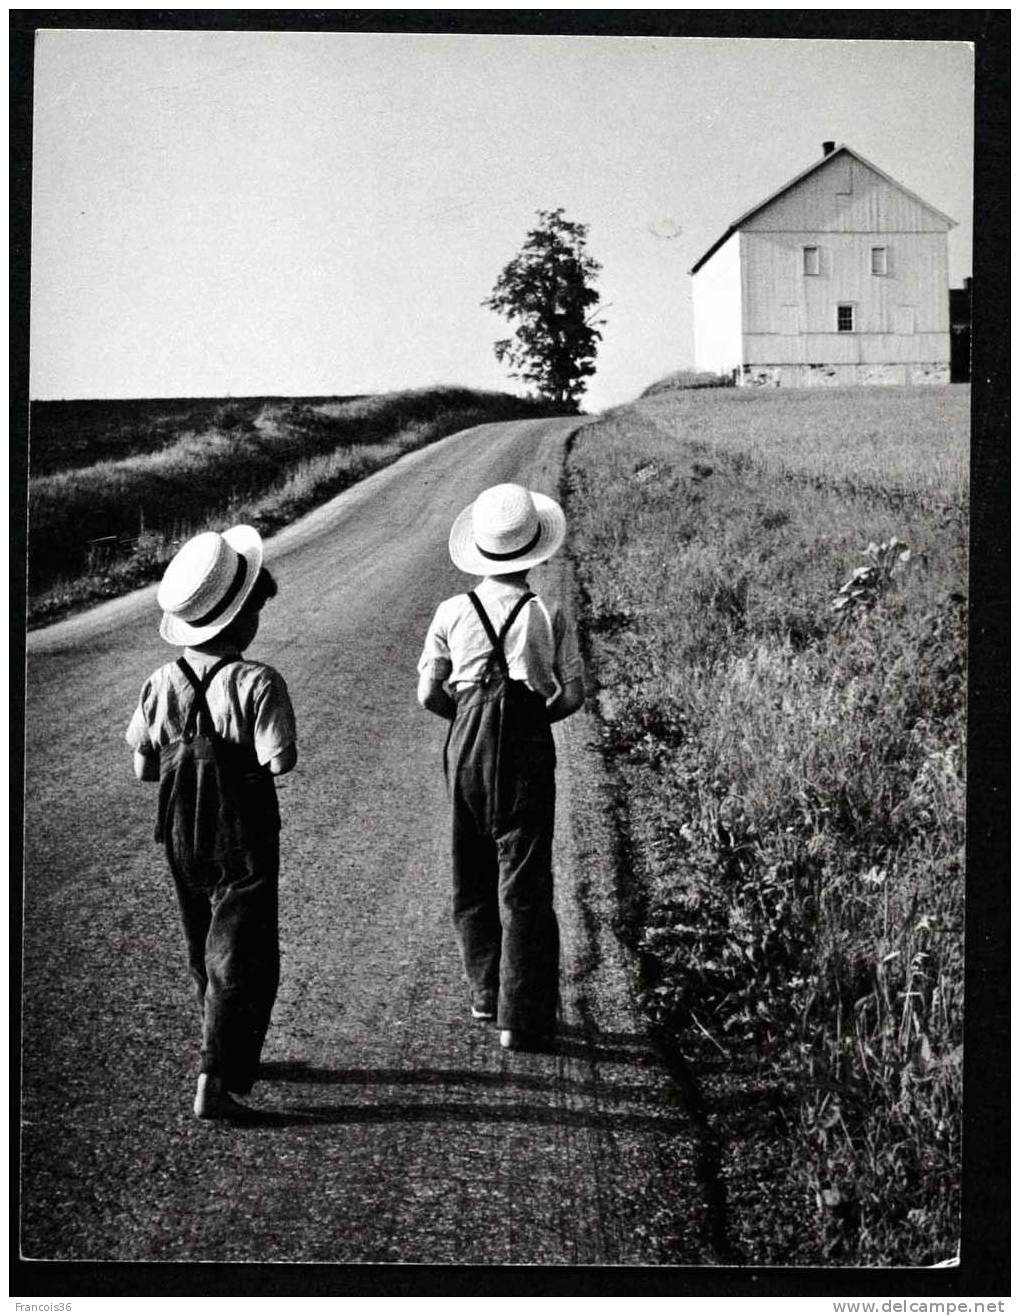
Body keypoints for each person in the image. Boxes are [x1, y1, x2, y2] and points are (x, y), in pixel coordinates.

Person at [126, 525, 297, 1120]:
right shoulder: (257, 681)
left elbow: (144, 767)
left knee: (202, 941)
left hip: (180, 830)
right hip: (242, 831)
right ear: (239, 619)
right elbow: (281, 760)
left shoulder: (159, 682)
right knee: (243, 951)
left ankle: (227, 1049)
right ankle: (216, 1080)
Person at [417, 483, 584, 1052]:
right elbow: (573, 696)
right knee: (526, 877)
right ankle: (521, 1014)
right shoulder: (548, 610)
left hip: (465, 742)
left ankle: (485, 991)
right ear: (537, 549)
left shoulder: (449, 610)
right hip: (528, 742)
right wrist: (536, 722)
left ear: (481, 551)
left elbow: (428, 694)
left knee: (470, 869)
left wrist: (467, 720)